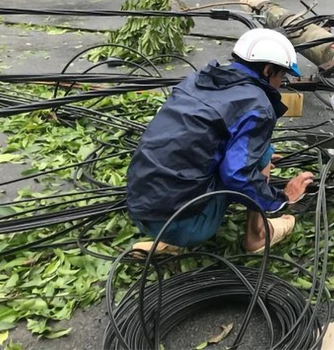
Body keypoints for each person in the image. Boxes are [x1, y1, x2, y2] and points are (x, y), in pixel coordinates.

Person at [126, 28, 314, 254]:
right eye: (281, 76)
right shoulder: (257, 104)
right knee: (262, 154)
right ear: (267, 70)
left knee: (246, 155)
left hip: (139, 206)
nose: (280, 83)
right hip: (183, 223)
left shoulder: (197, 81)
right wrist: (281, 198)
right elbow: (237, 175)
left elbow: (193, 139)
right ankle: (257, 236)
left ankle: (167, 237)